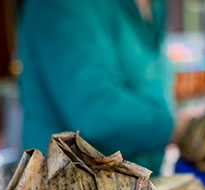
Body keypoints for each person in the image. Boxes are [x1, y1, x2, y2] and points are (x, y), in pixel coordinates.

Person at [17, 0, 174, 172]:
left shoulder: (154, 5)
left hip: (141, 179)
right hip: (70, 185)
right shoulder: (61, 5)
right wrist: (180, 129)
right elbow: (97, 112)